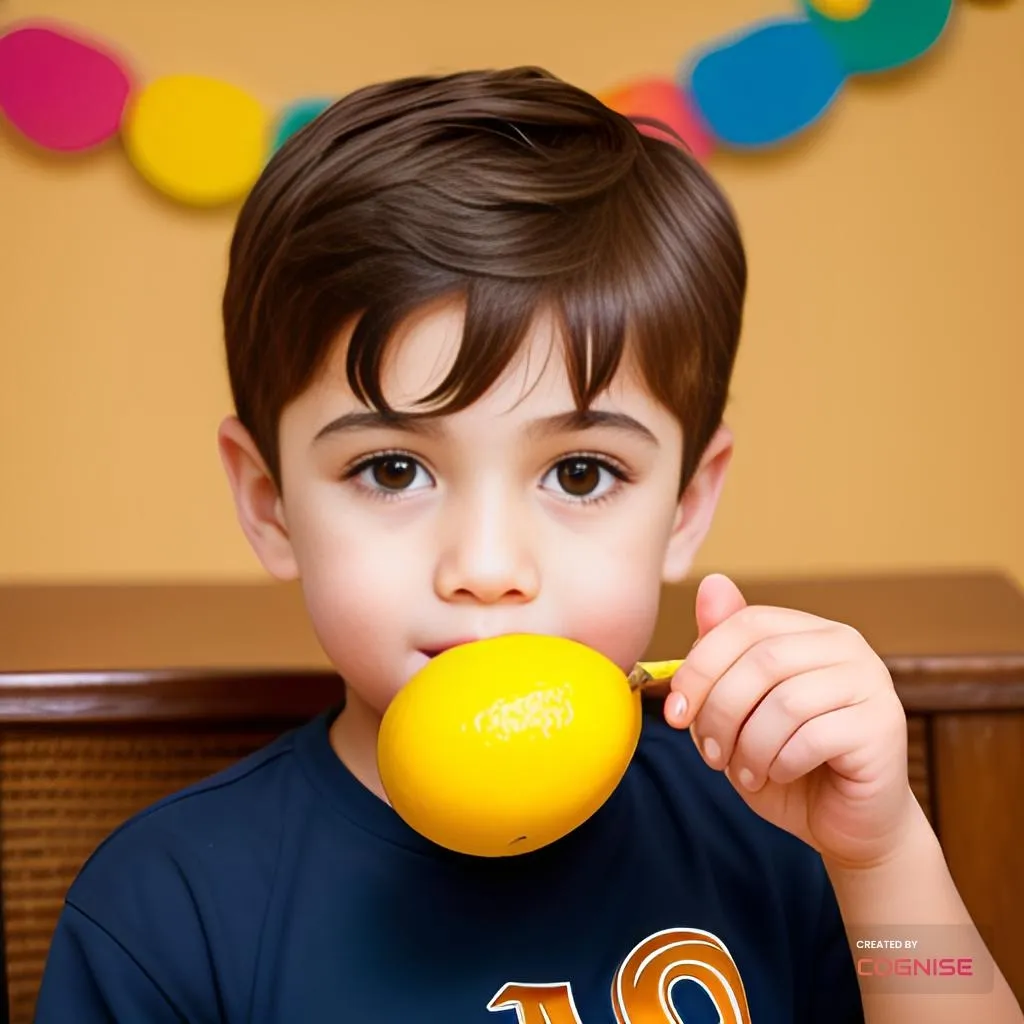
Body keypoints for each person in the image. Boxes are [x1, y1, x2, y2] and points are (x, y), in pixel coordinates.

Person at [35, 66, 1022, 1024]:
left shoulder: (774, 829)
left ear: (684, 504)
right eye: (390, 469)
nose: (489, 569)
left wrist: (884, 859)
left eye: (581, 473)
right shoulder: (168, 905)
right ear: (270, 502)